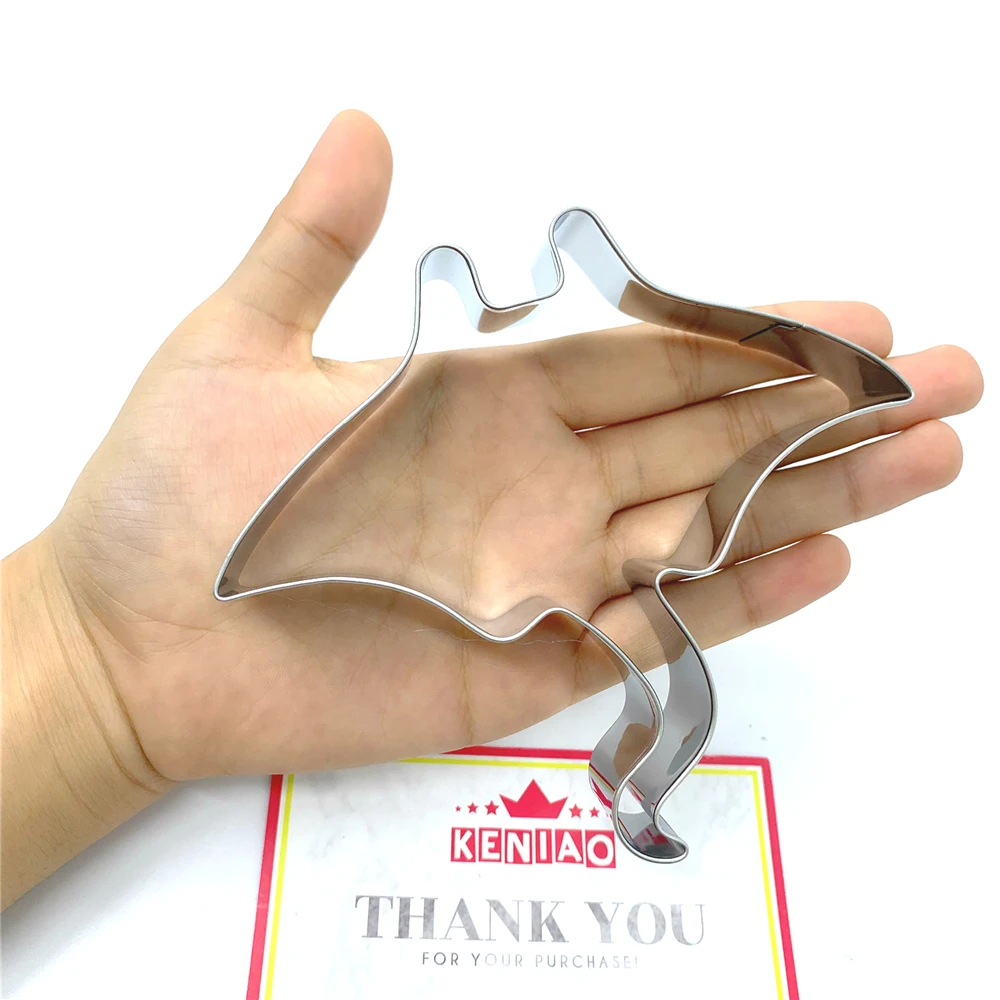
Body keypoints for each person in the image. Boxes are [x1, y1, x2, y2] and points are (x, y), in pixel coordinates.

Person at [0, 110, 984, 907]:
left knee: (665, 643)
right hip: (455, 588)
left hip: (524, 581)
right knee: (654, 652)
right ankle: (635, 786)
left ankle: (635, 786)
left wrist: (90, 667)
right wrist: (91, 656)